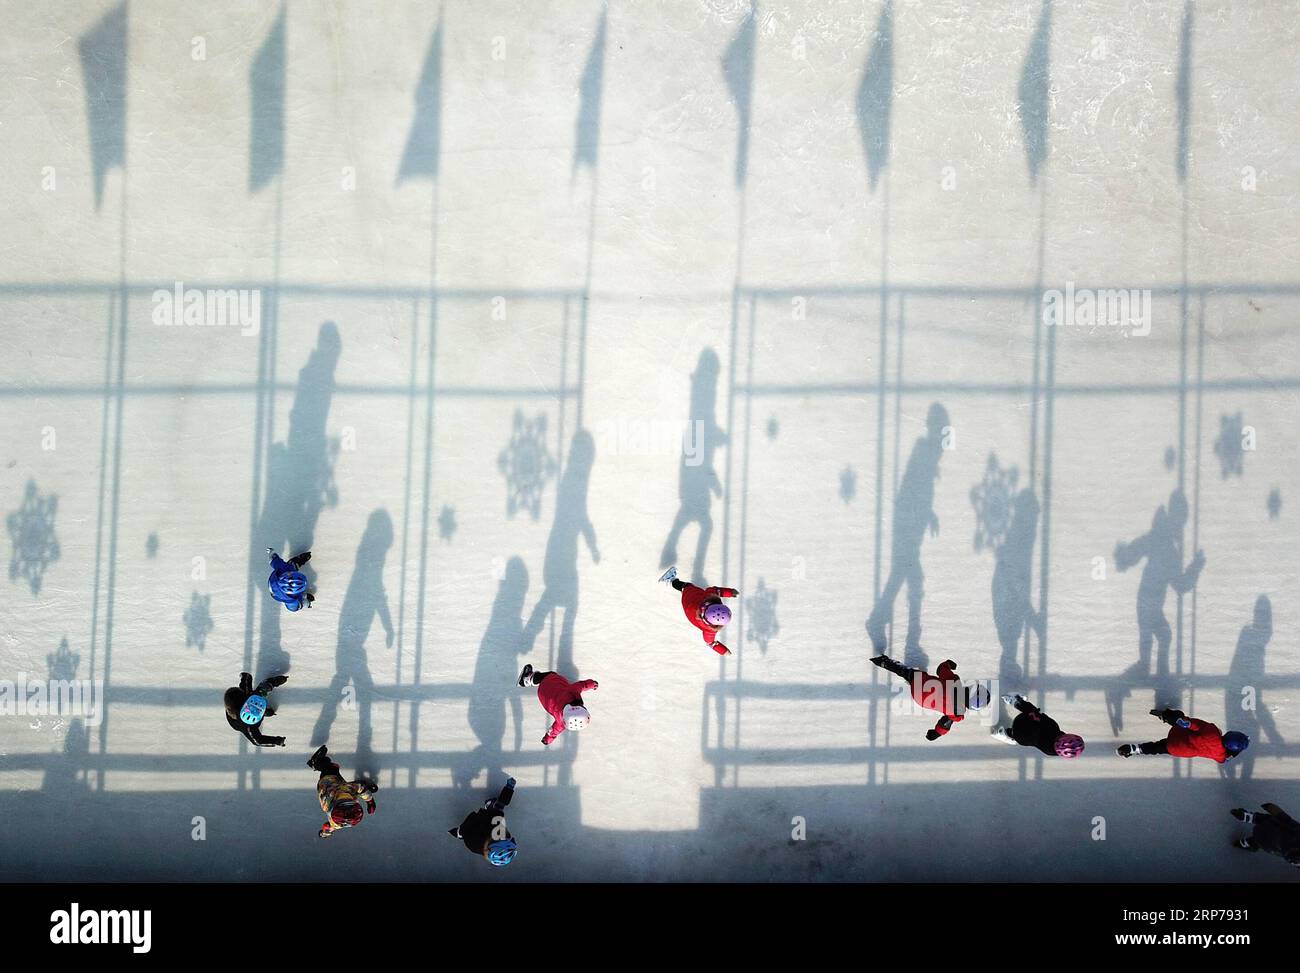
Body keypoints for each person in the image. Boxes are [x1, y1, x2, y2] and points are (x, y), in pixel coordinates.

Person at [870, 653, 990, 740]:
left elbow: (940, 669)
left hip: (921, 683)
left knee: (909, 673)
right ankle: (908, 677)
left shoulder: (953, 682)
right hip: (920, 700)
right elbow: (945, 724)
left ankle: (885, 663)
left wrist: (947, 664)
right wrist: (936, 733)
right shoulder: (957, 714)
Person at [1116, 708, 1248, 762]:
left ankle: (1166, 716)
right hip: (1177, 749)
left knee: (1180, 718)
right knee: (1157, 748)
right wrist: (1238, 751)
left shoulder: (1212, 731)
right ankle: (1133, 749)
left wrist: (1185, 723)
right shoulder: (1220, 754)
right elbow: (1227, 758)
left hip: (1179, 733)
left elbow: (1195, 724)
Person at [659, 566, 738, 656]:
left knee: (686, 586)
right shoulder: (709, 631)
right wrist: (723, 651)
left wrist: (730, 592)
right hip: (688, 604)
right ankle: (672, 580)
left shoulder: (709, 595)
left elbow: (716, 591)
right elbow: (710, 642)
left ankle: (673, 580)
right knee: (686, 588)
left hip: (691, 595)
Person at [517, 665, 598, 746]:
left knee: (551, 675)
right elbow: (553, 731)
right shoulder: (561, 722)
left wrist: (592, 684)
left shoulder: (572, 692)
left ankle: (526, 680)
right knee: (549, 683)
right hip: (543, 695)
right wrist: (547, 740)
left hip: (550, 683)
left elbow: (581, 685)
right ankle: (528, 680)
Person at [308, 745, 377, 838]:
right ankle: (320, 764)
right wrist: (324, 833)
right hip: (333, 787)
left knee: (331, 767)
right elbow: (327, 827)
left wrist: (370, 801)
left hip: (328, 781)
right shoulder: (336, 823)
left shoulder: (343, 791)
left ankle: (315, 762)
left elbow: (360, 788)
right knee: (338, 773)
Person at [448, 777, 518, 867]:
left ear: (488, 849)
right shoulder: (502, 834)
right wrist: (509, 789)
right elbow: (498, 818)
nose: (501, 836)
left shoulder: (472, 844)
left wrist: (460, 832)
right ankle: (491, 806)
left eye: (498, 839)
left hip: (475, 827)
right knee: (499, 807)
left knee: (462, 832)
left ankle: (459, 833)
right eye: (503, 838)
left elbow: (470, 821)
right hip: (488, 823)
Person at [993, 693, 1084, 757]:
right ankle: (1005, 734)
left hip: (1020, 723)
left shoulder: (1052, 726)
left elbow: (1037, 715)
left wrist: (1032, 712)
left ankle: (1016, 702)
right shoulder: (1050, 751)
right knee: (1023, 736)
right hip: (1021, 739)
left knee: (1033, 712)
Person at [223, 672, 288, 748]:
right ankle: (264, 712)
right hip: (246, 720)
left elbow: (246, 683)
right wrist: (277, 741)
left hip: (248, 702)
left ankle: (265, 709)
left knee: (260, 691)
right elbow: (258, 741)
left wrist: (246, 677)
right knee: (260, 694)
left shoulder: (248, 696)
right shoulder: (247, 727)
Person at [1230, 804, 1300, 867]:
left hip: (1271, 830)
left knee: (1263, 820)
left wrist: (1276, 811)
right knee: (1257, 841)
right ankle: (1244, 843)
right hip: (1270, 843)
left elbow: (1286, 819)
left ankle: (1247, 817)